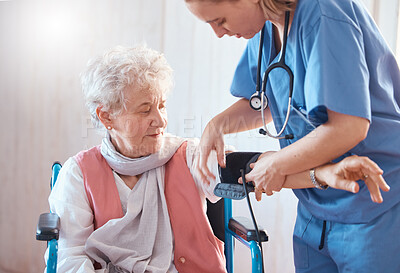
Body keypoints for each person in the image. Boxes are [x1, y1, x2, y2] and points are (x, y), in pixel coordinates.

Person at [45, 45, 390, 273]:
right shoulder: (78, 174)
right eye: (145, 109)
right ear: (107, 117)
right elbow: (69, 257)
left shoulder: (186, 155)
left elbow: (257, 171)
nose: (161, 121)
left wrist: (324, 173)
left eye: (162, 105)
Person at [184, 0, 400, 272]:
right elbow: (267, 101)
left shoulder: (324, 15)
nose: (218, 32)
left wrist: (276, 164)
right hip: (314, 204)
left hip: (372, 201)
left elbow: (350, 126)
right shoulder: (265, 28)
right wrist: (217, 125)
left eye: (220, 20)